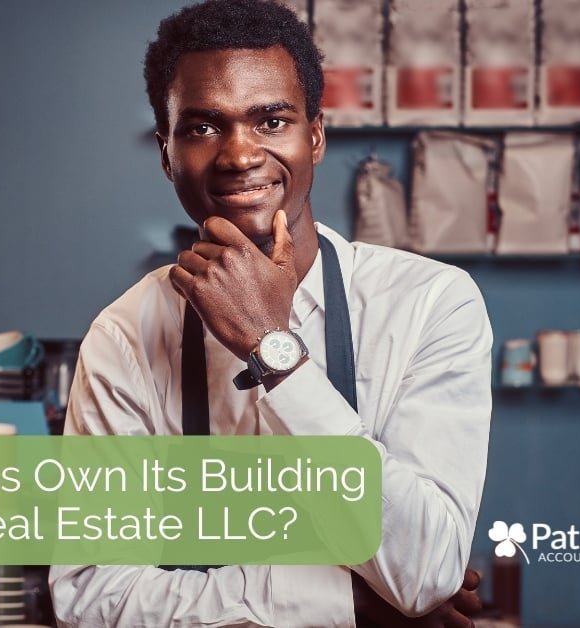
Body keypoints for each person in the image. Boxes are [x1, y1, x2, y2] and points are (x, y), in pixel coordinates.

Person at [49, 0, 492, 626]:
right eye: (203, 128)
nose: (238, 154)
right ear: (165, 152)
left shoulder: (430, 305)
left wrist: (272, 345)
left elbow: (424, 570)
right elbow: (92, 597)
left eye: (270, 121)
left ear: (314, 134)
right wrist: (350, 605)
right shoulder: (125, 336)